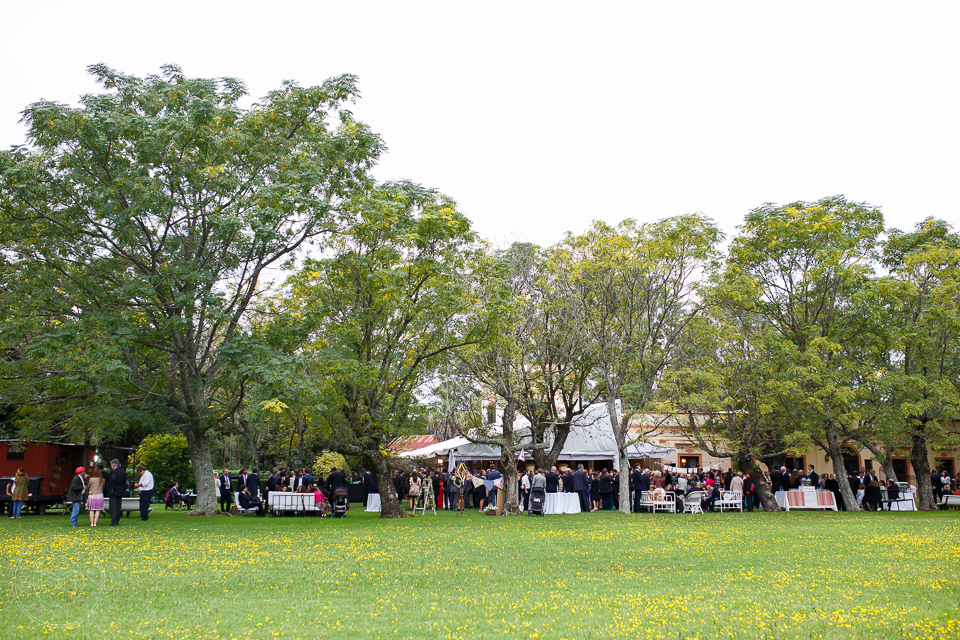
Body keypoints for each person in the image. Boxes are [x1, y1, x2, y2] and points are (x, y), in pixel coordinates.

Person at [105, 460, 127, 526]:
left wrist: (111, 487)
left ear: (113, 465)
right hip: (120, 491)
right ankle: (117, 520)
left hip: (114, 491)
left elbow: (113, 479)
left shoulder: (113, 472)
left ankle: (113, 521)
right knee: (118, 506)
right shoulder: (123, 472)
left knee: (113, 506)